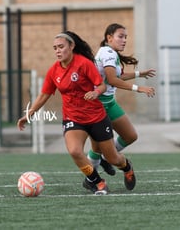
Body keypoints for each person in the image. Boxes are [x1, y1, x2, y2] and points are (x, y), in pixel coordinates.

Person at [17, 31, 136, 195]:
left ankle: (127, 167)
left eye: (61, 47)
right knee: (74, 151)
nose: (58, 51)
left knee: (113, 158)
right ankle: (98, 183)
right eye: (55, 48)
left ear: (71, 46)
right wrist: (29, 114)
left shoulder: (84, 64)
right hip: (73, 119)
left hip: (96, 117)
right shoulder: (54, 71)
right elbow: (43, 95)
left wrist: (96, 92)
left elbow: (101, 85)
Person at [87, 23, 156, 176]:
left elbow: (118, 75)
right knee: (96, 148)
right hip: (97, 106)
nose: (124, 40)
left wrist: (140, 74)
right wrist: (139, 88)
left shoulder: (110, 52)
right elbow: (112, 80)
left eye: (125, 37)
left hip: (109, 103)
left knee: (130, 136)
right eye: (120, 36)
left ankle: (106, 158)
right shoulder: (108, 53)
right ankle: (92, 179)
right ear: (109, 38)